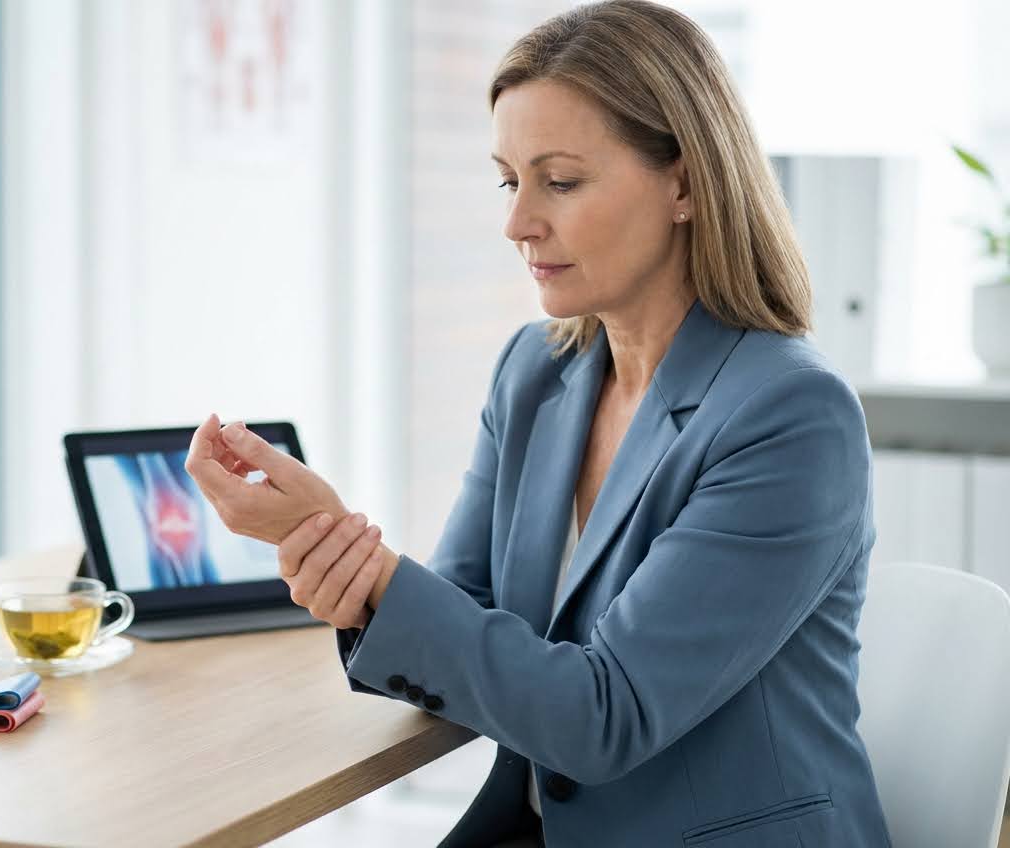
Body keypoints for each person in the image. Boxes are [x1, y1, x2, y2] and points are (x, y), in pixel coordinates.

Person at [184, 1, 890, 845]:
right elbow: (467, 607)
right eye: (508, 180)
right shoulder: (536, 372)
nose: (518, 222)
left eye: (560, 181)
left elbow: (606, 716)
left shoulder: (789, 416)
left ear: (687, 182)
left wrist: (367, 569)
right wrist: (336, 557)